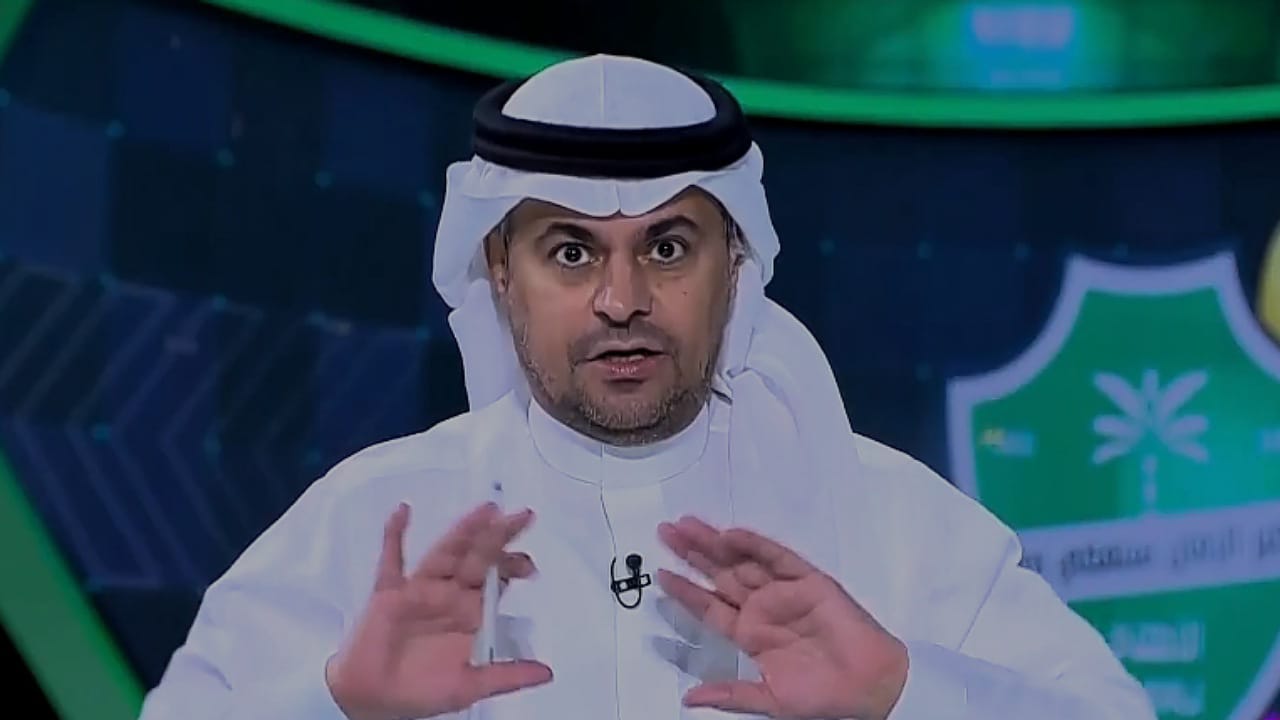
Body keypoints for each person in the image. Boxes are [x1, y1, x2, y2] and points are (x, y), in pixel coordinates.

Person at [137, 54, 1155, 720]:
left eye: (667, 247)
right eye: (570, 252)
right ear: (499, 271)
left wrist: (903, 693)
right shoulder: (377, 523)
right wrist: (333, 703)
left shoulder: (892, 522)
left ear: (735, 264)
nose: (621, 300)